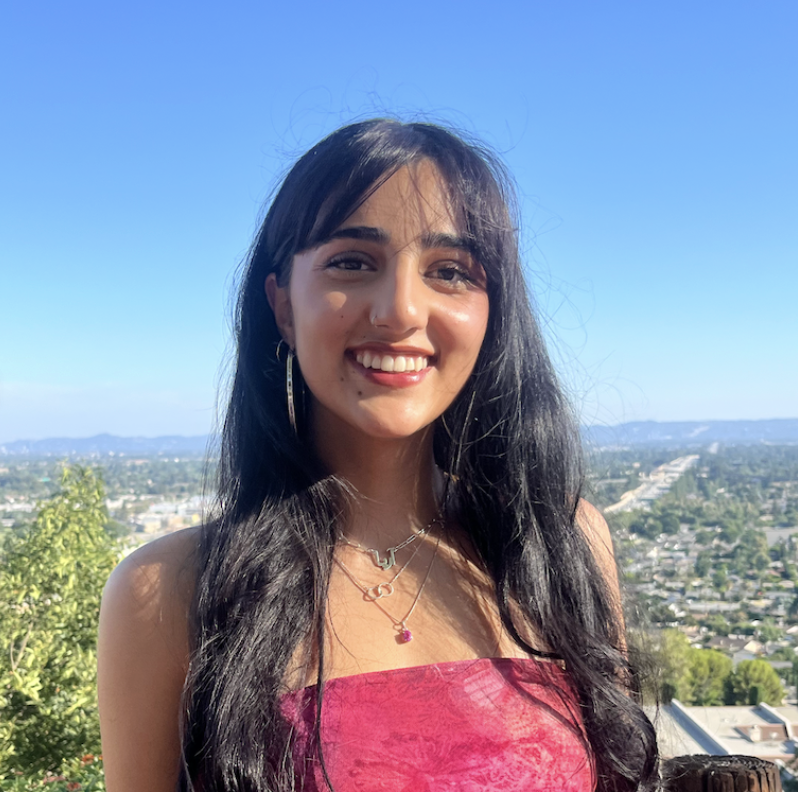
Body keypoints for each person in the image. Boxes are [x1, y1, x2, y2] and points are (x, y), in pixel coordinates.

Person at [98, 119, 657, 792]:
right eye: (352, 262)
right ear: (282, 305)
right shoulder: (170, 592)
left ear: (491, 311)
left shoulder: (559, 547)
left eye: (449, 271)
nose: (400, 310)